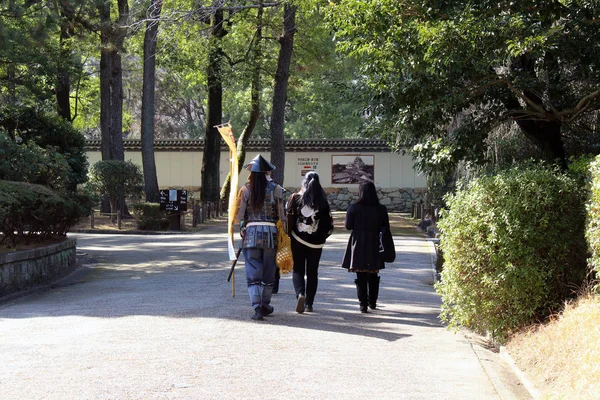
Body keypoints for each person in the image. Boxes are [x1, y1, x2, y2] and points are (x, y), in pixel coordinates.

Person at [236, 154, 286, 321]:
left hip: (251, 234)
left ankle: (257, 306)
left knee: (252, 272)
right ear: (266, 172)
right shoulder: (277, 190)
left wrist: (241, 228)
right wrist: (284, 235)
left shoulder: (245, 190)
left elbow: (239, 216)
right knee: (269, 271)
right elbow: (282, 216)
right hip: (271, 235)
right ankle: (265, 304)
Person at [286, 171, 333, 313]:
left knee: (298, 269)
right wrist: (323, 237)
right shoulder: (323, 201)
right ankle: (309, 304)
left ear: (304, 182)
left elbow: (289, 219)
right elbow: (329, 224)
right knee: (313, 272)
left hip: (298, 239)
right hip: (316, 243)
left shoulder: (295, 198)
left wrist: (288, 234)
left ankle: (300, 294)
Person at [341, 180, 391, 313]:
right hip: (375, 242)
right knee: (373, 274)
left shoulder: (354, 207)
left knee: (360, 274)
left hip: (358, 242)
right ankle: (372, 302)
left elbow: (348, 226)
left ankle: (362, 304)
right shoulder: (381, 209)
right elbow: (386, 226)